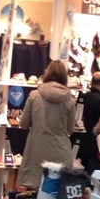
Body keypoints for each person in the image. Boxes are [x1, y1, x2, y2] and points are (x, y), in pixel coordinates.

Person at [17, 60, 76, 189]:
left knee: (34, 193)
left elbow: (24, 124)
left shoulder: (34, 95)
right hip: (61, 151)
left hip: (37, 151)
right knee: (57, 192)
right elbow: (70, 129)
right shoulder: (70, 100)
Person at [76, 71, 100, 175]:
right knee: (91, 171)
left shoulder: (82, 97)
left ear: (91, 83)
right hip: (93, 142)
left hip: (78, 136)